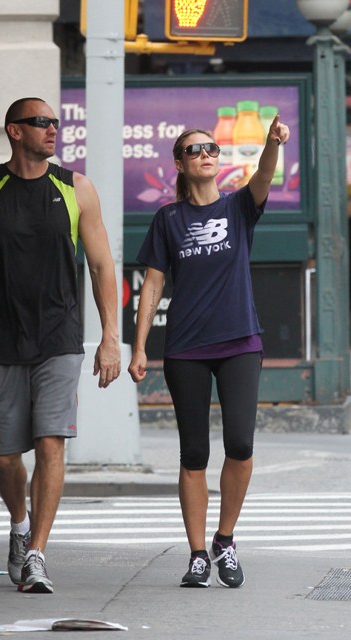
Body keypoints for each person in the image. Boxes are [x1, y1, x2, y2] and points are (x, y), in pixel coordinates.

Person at [0, 97, 121, 594]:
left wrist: (110, 337)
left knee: (50, 441)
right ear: (14, 131)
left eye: (55, 123)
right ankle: (20, 523)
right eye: (41, 123)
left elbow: (102, 265)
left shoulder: (77, 188)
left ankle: (38, 553)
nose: (52, 130)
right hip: (0, 338)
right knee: (4, 455)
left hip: (59, 337)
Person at [128, 115, 290, 589]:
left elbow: (264, 175)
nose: (205, 155)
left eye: (212, 148)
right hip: (186, 347)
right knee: (194, 452)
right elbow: (152, 285)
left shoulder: (238, 206)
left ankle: (225, 539)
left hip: (240, 341)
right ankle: (198, 554)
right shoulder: (168, 219)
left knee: (240, 444)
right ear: (179, 163)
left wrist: (271, 143)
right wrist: (139, 347)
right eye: (195, 150)